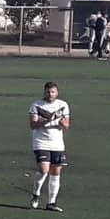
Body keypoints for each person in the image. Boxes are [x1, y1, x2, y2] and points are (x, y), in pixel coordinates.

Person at [28, 80, 70, 212]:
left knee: (56, 172)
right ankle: (36, 194)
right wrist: (48, 120)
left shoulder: (63, 105)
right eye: (48, 92)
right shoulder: (36, 105)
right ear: (44, 92)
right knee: (44, 170)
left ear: (57, 92)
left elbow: (66, 125)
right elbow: (33, 125)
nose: (50, 94)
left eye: (53, 92)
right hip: (41, 142)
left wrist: (62, 123)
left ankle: (51, 202)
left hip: (57, 144)